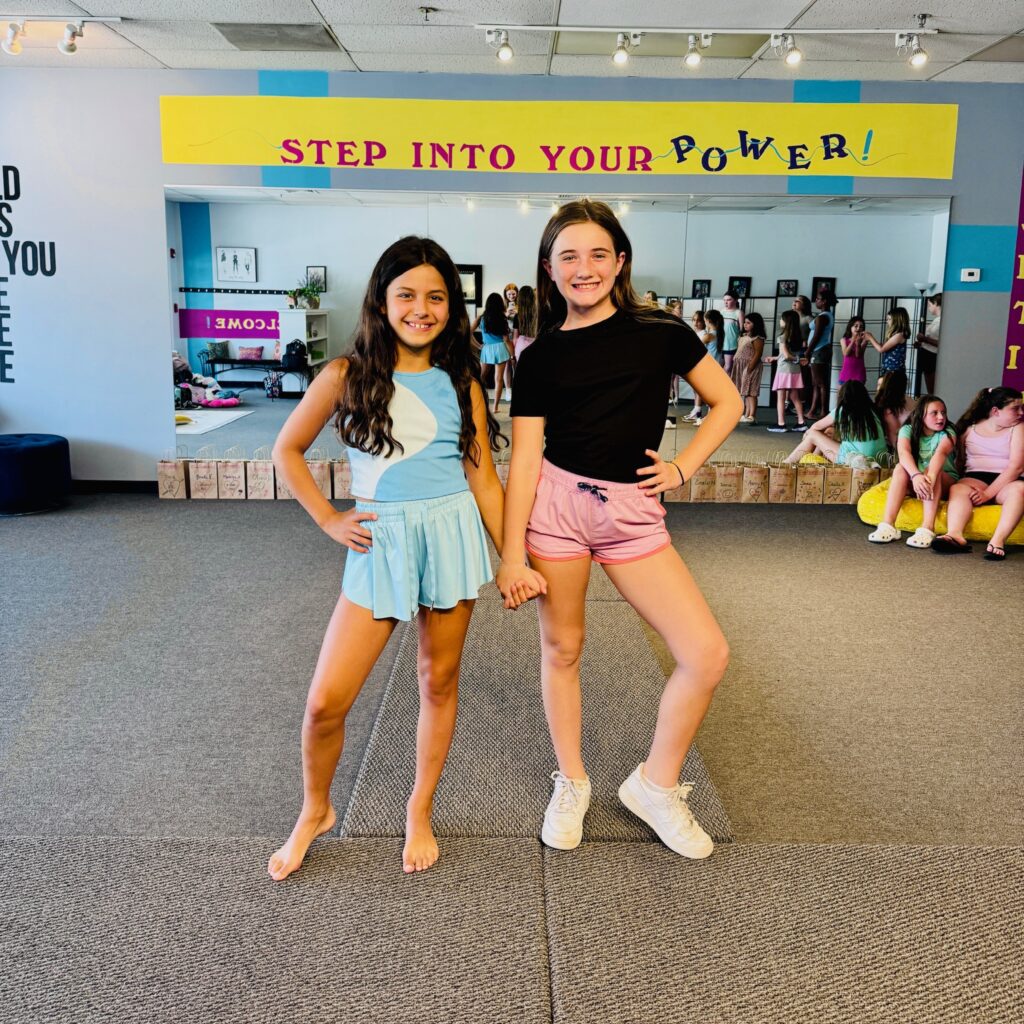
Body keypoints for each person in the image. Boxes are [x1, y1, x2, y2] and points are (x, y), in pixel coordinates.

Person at [267, 236, 540, 881]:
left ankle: (419, 811)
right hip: (380, 542)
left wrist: (511, 559)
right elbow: (286, 451)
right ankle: (315, 810)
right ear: (381, 301)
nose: (422, 308)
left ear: (453, 306)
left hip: (449, 538)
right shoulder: (343, 375)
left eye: (436, 297)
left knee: (436, 681)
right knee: (324, 703)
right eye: (407, 295)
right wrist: (330, 519)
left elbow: (484, 482)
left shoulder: (461, 381)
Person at [500, 199, 742, 860]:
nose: (585, 268)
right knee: (564, 649)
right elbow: (523, 459)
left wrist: (685, 465)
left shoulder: (661, 333)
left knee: (706, 653)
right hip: (557, 509)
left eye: (598, 253)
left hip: (633, 513)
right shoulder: (540, 357)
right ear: (549, 271)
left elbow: (728, 401)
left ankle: (654, 785)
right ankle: (571, 780)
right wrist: (510, 552)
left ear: (621, 261)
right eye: (568, 256)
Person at [933, 387, 1024, 559]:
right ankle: (955, 535)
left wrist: (988, 494)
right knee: (958, 489)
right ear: (996, 411)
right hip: (977, 478)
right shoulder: (969, 430)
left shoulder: (1018, 428)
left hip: (1008, 480)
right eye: (1015, 408)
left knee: (1019, 491)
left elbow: (1016, 467)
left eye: (1022, 408)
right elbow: (960, 462)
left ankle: (997, 540)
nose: (1021, 412)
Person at [868, 395, 958, 548]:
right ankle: (888, 525)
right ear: (921, 414)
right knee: (900, 468)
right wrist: (916, 476)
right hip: (917, 480)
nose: (941, 417)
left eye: (943, 412)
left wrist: (928, 477)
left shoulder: (949, 432)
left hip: (943, 480)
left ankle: (927, 528)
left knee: (931, 472)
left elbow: (940, 454)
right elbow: (903, 453)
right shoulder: (907, 429)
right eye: (934, 413)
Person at [784, 380, 888, 466]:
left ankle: (786, 464)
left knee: (813, 435)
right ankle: (811, 465)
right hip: (879, 459)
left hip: (856, 460)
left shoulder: (844, 409)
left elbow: (815, 427)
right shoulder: (872, 410)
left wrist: (806, 436)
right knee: (828, 432)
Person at [765, 309, 807, 433]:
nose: (780, 321)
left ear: (786, 322)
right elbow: (784, 354)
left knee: (781, 397)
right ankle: (801, 422)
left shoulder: (782, 337)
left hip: (784, 370)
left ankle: (781, 423)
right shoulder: (798, 337)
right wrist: (774, 358)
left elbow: (787, 356)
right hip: (795, 370)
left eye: (782, 319)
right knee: (795, 396)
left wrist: (796, 359)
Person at [474, 291, 516, 413]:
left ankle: (477, 401)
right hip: (500, 349)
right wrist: (512, 355)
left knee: (481, 377)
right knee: (498, 379)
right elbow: (507, 340)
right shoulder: (502, 319)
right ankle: (495, 407)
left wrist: (478, 346)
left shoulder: (481, 318)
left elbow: (467, 332)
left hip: (487, 349)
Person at [684, 308, 722, 423]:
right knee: (708, 392)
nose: (698, 323)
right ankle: (707, 414)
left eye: (703, 321)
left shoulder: (708, 336)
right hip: (715, 366)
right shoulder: (718, 334)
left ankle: (709, 416)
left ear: (708, 321)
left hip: (708, 367)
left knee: (707, 393)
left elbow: (695, 348)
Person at [804, 291, 836, 420]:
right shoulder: (826, 315)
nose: (816, 301)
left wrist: (808, 351)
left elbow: (817, 336)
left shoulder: (823, 317)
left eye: (818, 299)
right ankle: (813, 410)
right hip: (820, 350)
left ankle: (823, 411)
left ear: (824, 301)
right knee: (816, 383)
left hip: (819, 350)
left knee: (821, 383)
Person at [730, 311, 766, 423]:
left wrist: (749, 368)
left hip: (751, 366)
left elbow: (758, 353)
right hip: (740, 366)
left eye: (748, 323)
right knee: (745, 391)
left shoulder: (757, 338)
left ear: (756, 324)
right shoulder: (744, 336)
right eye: (745, 322)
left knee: (751, 391)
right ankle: (746, 414)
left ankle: (752, 415)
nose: (745, 325)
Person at [875, 369, 915, 448]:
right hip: (910, 444)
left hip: (898, 447)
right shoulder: (911, 401)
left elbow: (893, 435)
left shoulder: (886, 408)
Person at [869, 307, 910, 376]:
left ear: (897, 320)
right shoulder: (897, 335)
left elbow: (881, 349)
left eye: (889, 319)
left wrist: (870, 337)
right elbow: (884, 347)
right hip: (890, 369)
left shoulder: (898, 335)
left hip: (894, 371)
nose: (887, 321)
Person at [915, 293, 941, 394]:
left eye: (930, 305)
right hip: (926, 355)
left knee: (933, 389)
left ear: (936, 304)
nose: (929, 308)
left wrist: (925, 339)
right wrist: (921, 343)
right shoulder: (936, 320)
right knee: (929, 388)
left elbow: (943, 343)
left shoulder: (942, 321)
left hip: (931, 356)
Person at [838, 316, 871, 385]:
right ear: (850, 327)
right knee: (842, 395)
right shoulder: (843, 340)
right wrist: (852, 341)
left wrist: (858, 344)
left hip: (859, 373)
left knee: (857, 395)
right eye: (856, 326)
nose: (858, 328)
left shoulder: (865, 340)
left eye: (861, 326)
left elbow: (858, 355)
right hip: (846, 373)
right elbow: (846, 353)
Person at [513, 284, 538, 361]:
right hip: (536, 345)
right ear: (533, 298)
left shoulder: (517, 316)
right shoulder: (539, 314)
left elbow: (515, 338)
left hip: (521, 345)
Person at [720, 291, 742, 374]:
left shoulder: (738, 313)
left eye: (729, 300)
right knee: (719, 366)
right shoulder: (721, 312)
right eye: (724, 300)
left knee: (728, 367)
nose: (726, 302)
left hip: (731, 344)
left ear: (735, 300)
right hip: (720, 343)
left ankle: (720, 384)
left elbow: (742, 330)